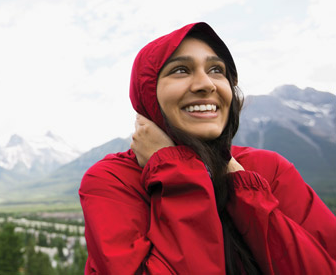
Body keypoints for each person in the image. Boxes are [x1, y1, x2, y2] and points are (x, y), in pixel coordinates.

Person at [79, 22, 336, 274]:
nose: (206, 84)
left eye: (216, 69)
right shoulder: (112, 181)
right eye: (180, 70)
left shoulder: (268, 170)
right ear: (146, 92)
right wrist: (173, 168)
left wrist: (246, 193)